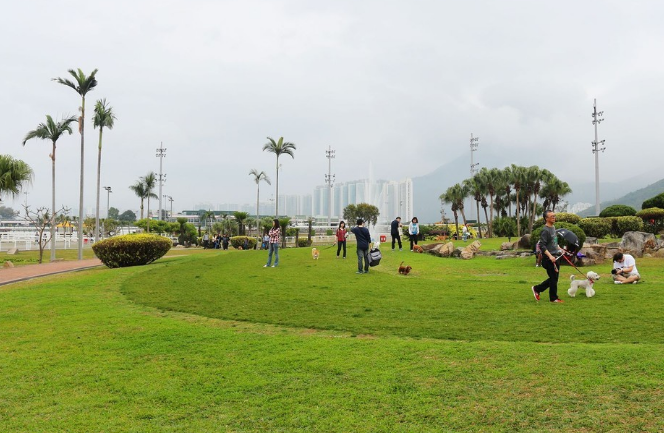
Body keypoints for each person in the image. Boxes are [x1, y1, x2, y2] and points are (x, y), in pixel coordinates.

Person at [531, 210, 564, 303]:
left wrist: (559, 248)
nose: (554, 217)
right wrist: (550, 256)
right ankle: (553, 298)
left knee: (554, 278)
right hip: (549, 258)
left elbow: (553, 241)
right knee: (553, 279)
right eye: (551, 216)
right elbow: (542, 245)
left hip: (555, 256)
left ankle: (537, 289)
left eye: (554, 216)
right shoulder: (545, 230)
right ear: (546, 218)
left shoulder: (553, 227)